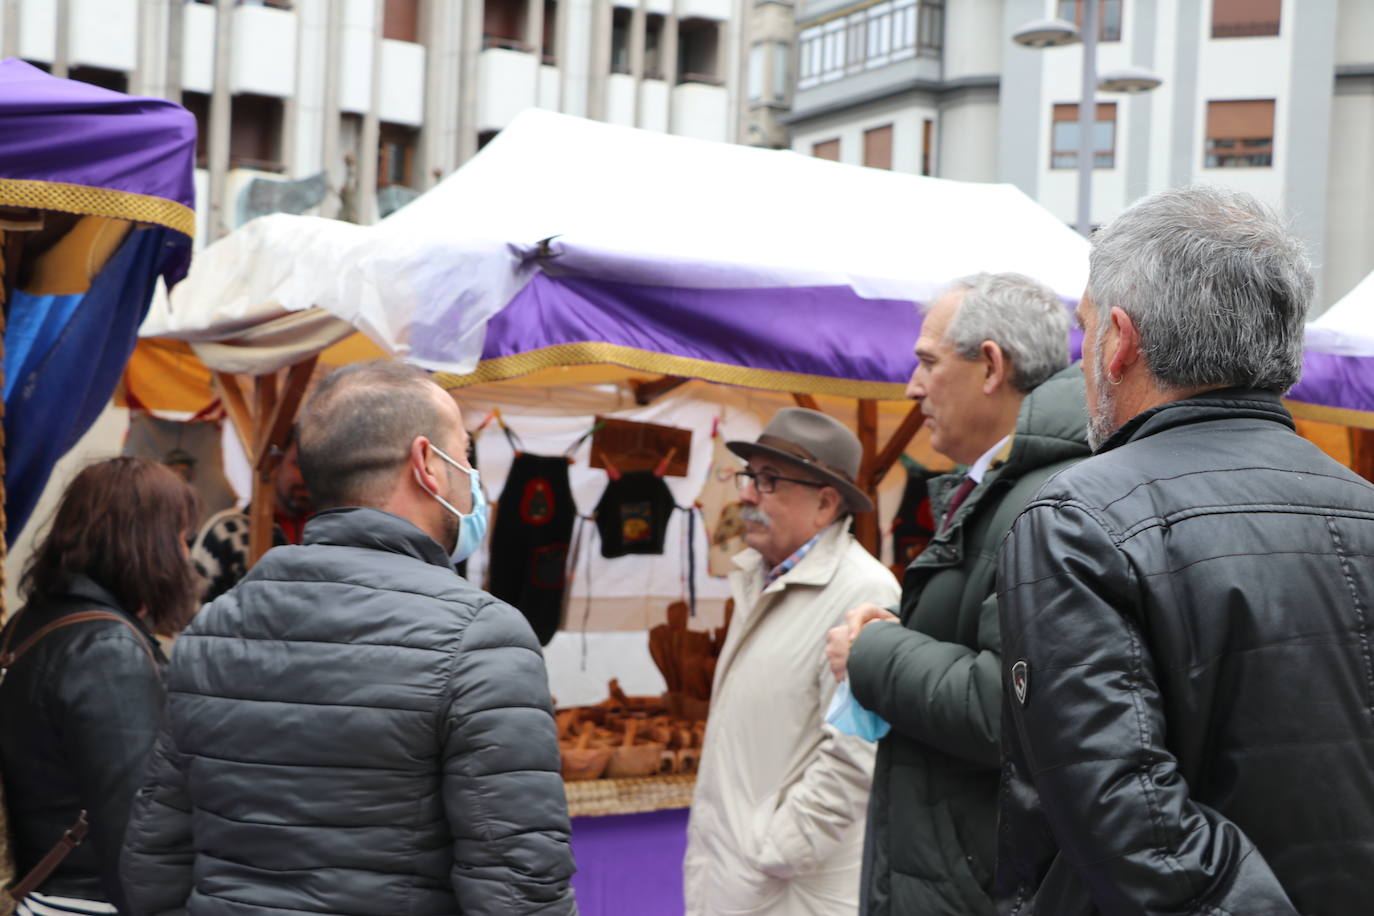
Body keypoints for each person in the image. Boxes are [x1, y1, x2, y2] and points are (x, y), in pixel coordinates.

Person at [994, 186, 1374, 915]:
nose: (1082, 362)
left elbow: (1135, 829)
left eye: (1085, 331)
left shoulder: (1079, 519)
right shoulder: (1362, 503)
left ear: (1121, 340)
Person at [122, 360, 577, 915]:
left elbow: (154, 859)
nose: (473, 477)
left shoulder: (213, 627)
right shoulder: (481, 637)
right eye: (466, 453)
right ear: (428, 464)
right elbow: (519, 886)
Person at [823, 273, 1089, 916]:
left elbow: (1008, 707)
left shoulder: (1045, 504)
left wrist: (873, 651)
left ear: (991, 365)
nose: (913, 387)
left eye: (928, 363)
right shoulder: (1008, 491)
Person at [684, 408, 900, 916]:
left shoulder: (863, 591)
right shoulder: (758, 578)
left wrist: (776, 849)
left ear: (825, 503)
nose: (746, 495)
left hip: (792, 893)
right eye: (750, 477)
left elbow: (858, 749)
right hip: (736, 880)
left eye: (768, 480)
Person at [0, 457, 201, 916]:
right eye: (180, 538)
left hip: (39, 893)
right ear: (146, 544)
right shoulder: (107, 649)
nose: (185, 556)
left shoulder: (29, 623)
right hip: (83, 902)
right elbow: (136, 833)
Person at [190, 435, 312, 602]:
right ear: (275, 463)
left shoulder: (333, 536)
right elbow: (192, 612)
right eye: (298, 464)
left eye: (319, 468)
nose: (309, 477)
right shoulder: (228, 531)